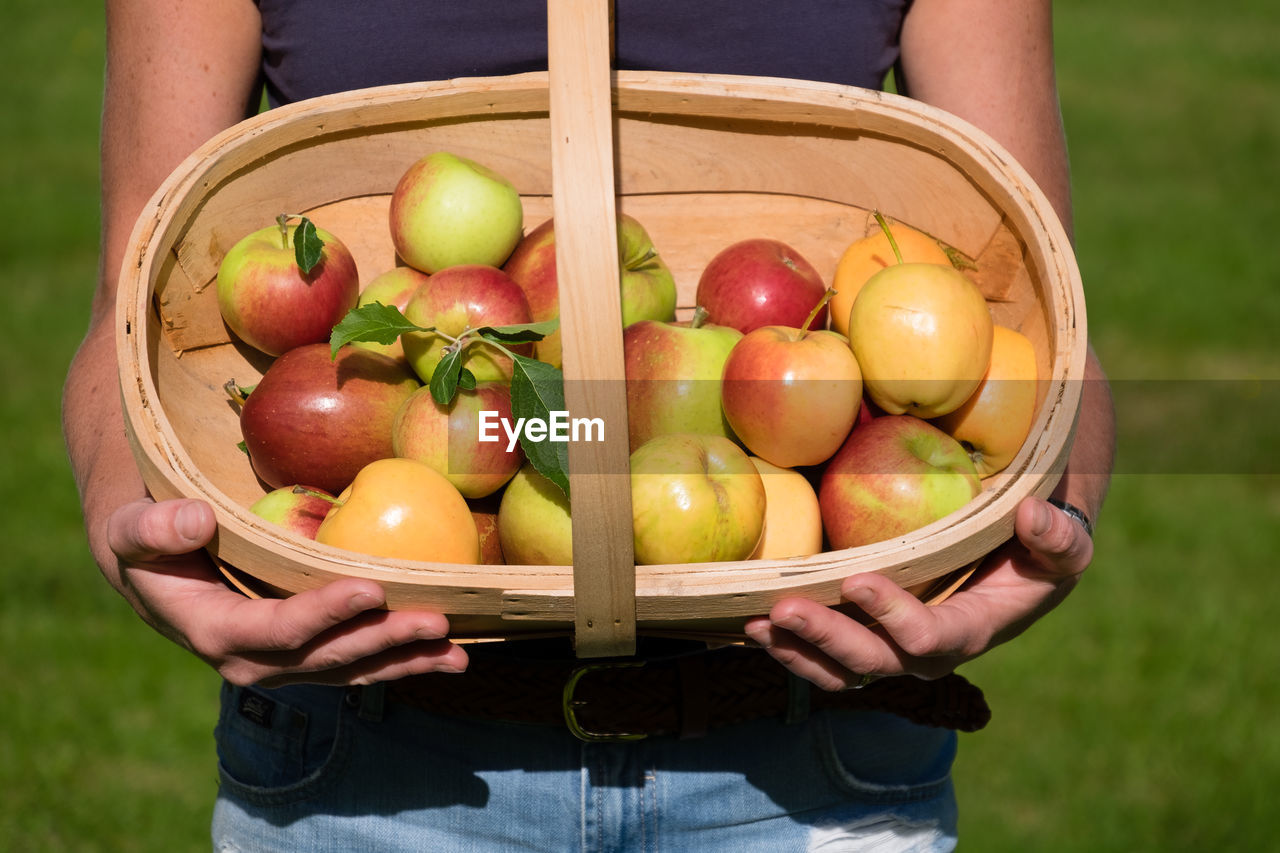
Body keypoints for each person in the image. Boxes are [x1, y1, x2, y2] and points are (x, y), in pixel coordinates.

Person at [63, 1, 1115, 850]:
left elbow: (1030, 298)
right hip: (371, 767)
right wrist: (138, 529)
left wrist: (1032, 539)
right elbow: (136, 301)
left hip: (808, 762)